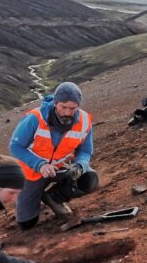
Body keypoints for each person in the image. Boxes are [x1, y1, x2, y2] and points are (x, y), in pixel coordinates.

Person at [9, 82, 99, 228]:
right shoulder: (35, 118)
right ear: (55, 103)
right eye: (64, 107)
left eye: (73, 108)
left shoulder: (84, 121)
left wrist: (81, 165)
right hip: (33, 172)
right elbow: (15, 146)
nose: (68, 113)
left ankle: (54, 197)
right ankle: (27, 197)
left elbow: (85, 150)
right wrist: (40, 165)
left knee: (89, 179)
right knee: (26, 223)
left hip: (60, 168)